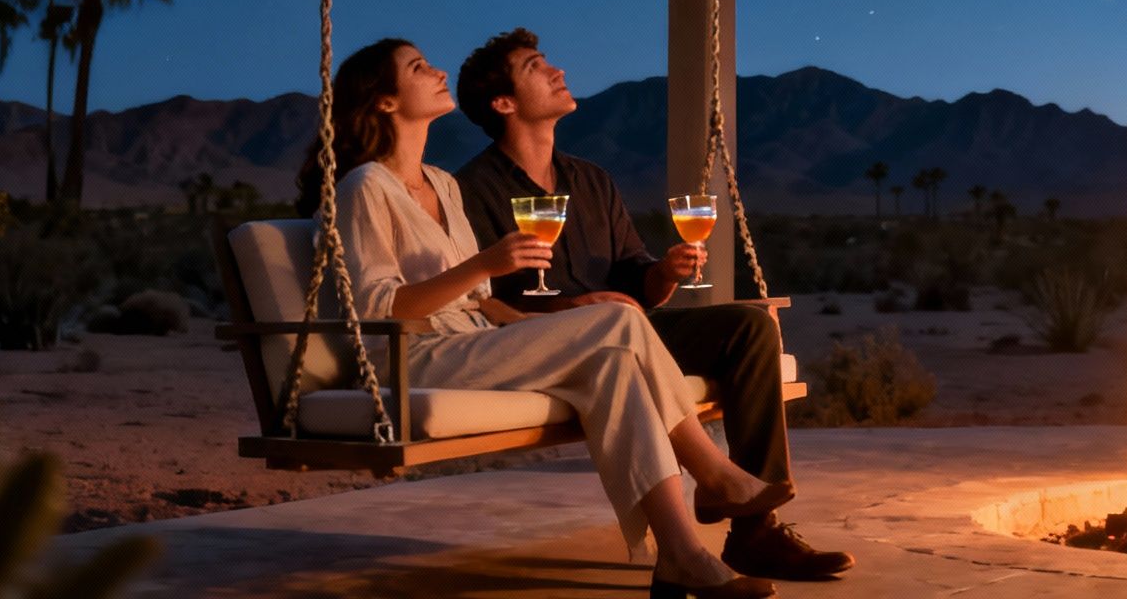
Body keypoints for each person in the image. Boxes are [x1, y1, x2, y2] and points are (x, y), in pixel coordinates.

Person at [298, 37, 785, 599]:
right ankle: (715, 474)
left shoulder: (443, 184)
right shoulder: (365, 187)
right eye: (417, 67)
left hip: (471, 340)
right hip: (412, 355)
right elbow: (378, 307)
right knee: (619, 323)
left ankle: (682, 555)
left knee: (613, 367)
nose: (435, 71)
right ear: (384, 102)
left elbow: (478, 300)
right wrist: (491, 265)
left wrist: (534, 322)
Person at [454, 29, 854, 583]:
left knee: (751, 325)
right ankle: (736, 509)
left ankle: (754, 533)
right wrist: (579, 305)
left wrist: (663, 273)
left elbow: (634, 278)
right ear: (504, 103)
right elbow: (485, 302)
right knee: (622, 320)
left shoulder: (591, 180)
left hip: (630, 325)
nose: (557, 71)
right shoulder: (471, 191)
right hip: (555, 347)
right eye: (535, 66)